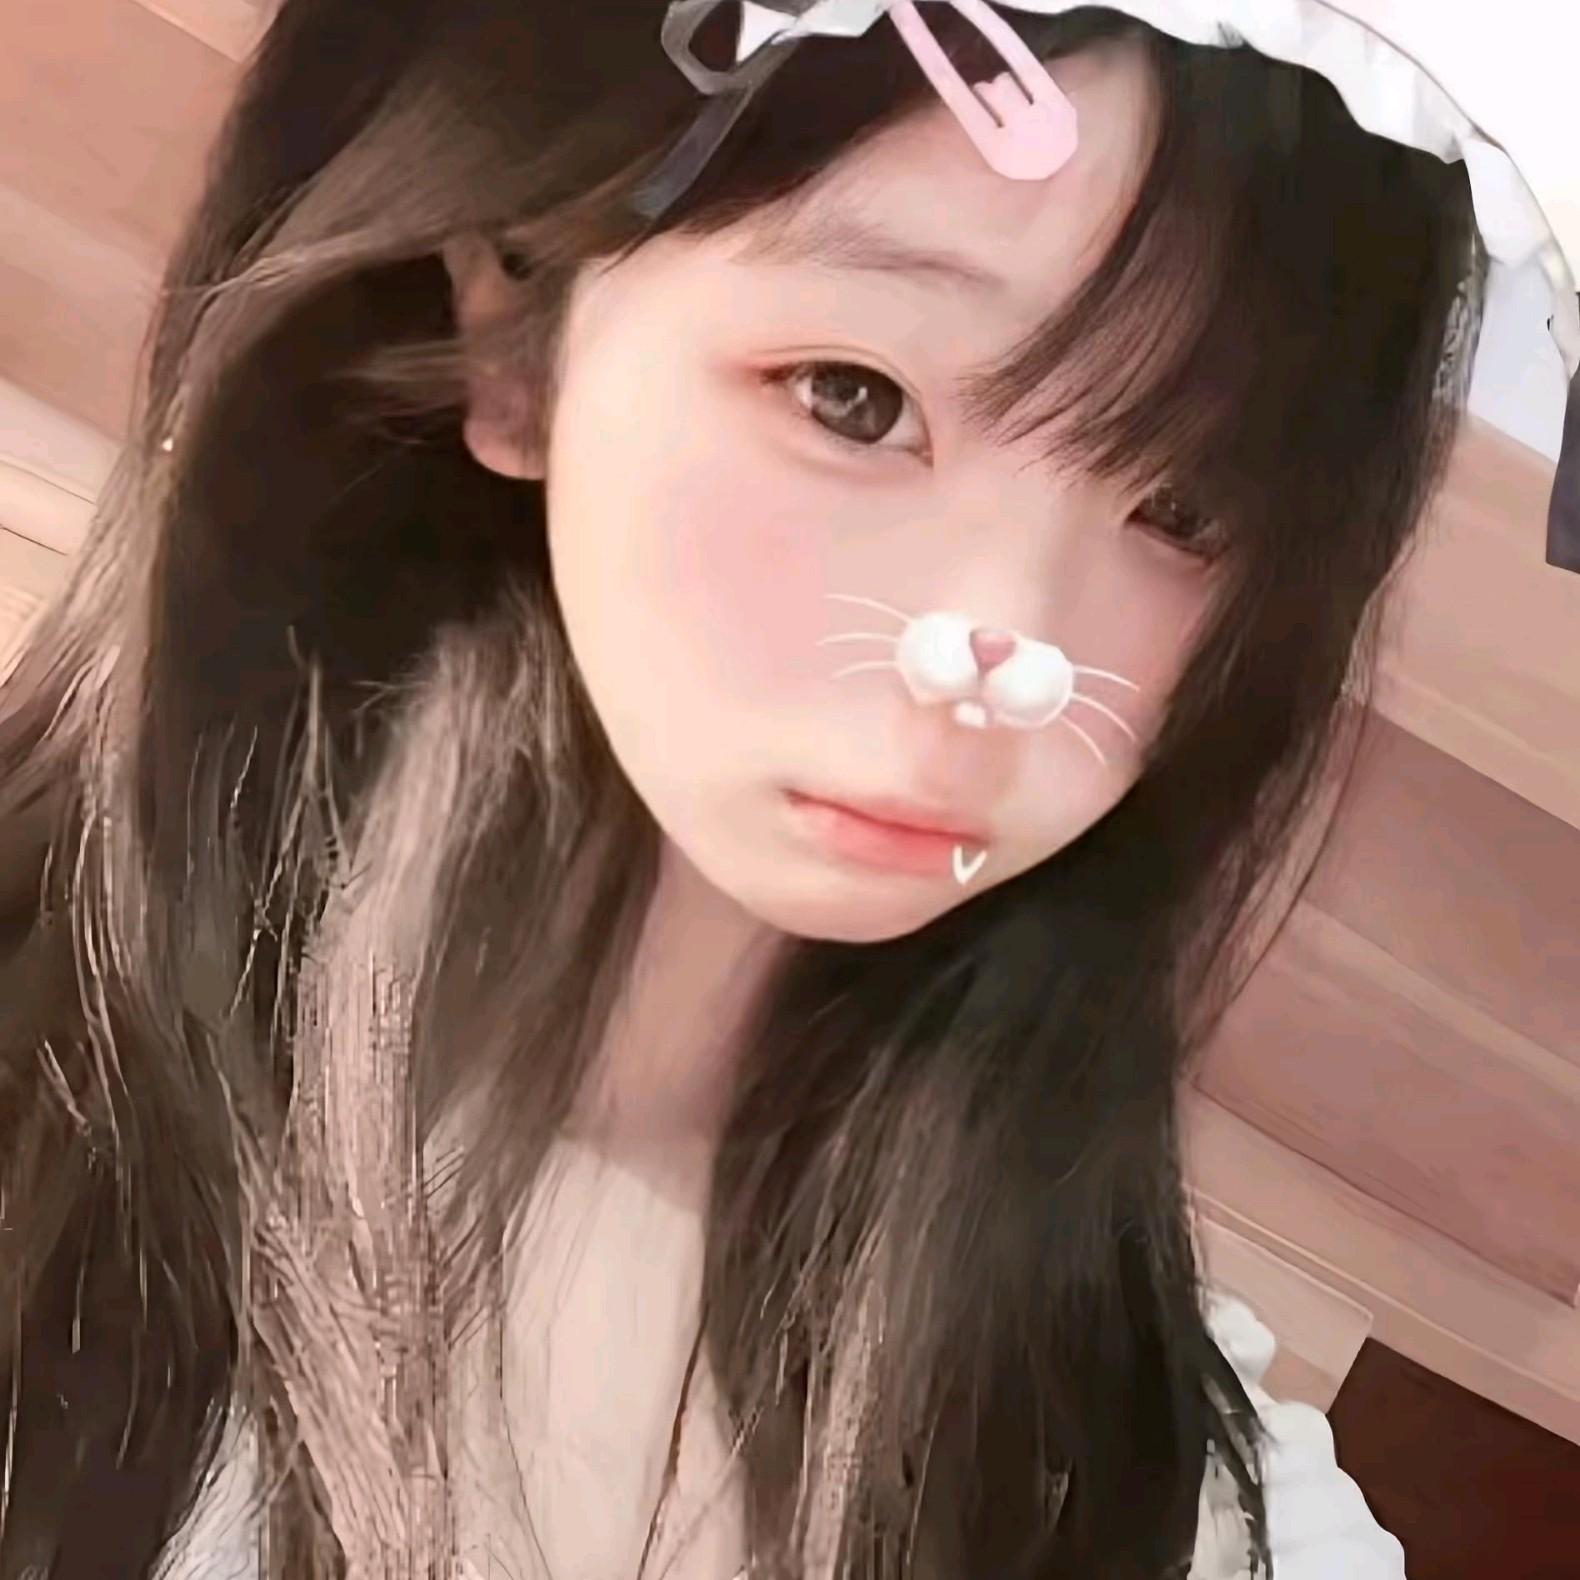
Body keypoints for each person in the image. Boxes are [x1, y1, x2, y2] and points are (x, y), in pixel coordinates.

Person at [0, 2, 1482, 1576]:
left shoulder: (1161, 1489)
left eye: (1187, 507)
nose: (1012, 647)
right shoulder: (64, 1112)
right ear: (518, 327)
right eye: (852, 397)